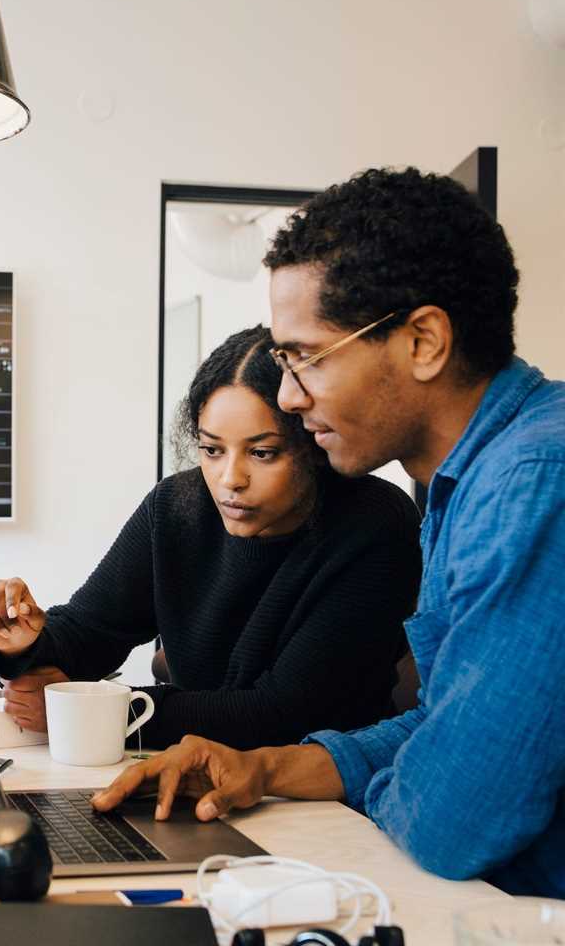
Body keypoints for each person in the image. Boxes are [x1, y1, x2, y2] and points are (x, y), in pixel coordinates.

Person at [92, 167, 565, 899]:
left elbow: (454, 819)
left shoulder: (534, 483)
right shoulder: (464, 484)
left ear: (425, 342)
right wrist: (265, 768)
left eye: (305, 356)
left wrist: (391, 784)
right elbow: (444, 729)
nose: (287, 395)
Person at [0, 325, 422, 751]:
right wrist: (22, 645)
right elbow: (92, 629)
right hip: (198, 771)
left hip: (322, 801)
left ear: (312, 445)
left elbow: (286, 713)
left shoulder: (374, 523)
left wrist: (96, 712)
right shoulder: (177, 506)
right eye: (211, 449)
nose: (230, 479)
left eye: (262, 453)